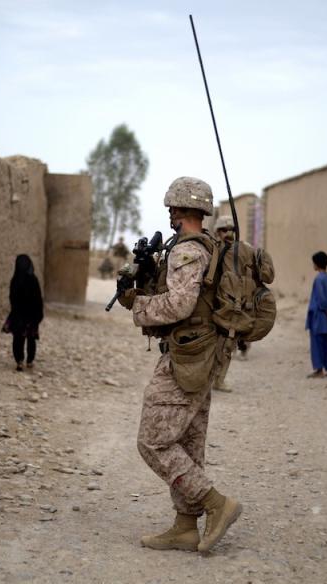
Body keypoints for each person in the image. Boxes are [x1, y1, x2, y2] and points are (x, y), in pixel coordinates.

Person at [117, 176, 243, 554]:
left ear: (182, 209)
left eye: (173, 206)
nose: (169, 212)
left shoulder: (187, 251)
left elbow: (179, 305)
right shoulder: (210, 246)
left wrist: (139, 305)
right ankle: (186, 526)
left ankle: (216, 504)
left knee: (152, 441)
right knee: (187, 442)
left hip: (186, 356)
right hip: (204, 354)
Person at [211, 216, 248, 392]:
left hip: (231, 304)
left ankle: (220, 379)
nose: (228, 234)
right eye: (224, 230)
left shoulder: (240, 251)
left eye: (231, 230)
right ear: (217, 232)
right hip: (211, 304)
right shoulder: (211, 249)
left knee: (227, 345)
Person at [306, 250, 327, 378]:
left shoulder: (318, 279)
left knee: (317, 343)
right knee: (326, 344)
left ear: (317, 264)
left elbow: (321, 300)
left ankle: (319, 370)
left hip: (319, 318)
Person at [7, 254, 43, 372]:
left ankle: (19, 361)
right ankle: (29, 361)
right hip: (31, 315)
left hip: (18, 315)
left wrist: (15, 311)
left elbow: (12, 298)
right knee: (31, 338)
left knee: (18, 338)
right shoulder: (33, 280)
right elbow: (38, 298)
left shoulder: (15, 280)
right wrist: (39, 314)